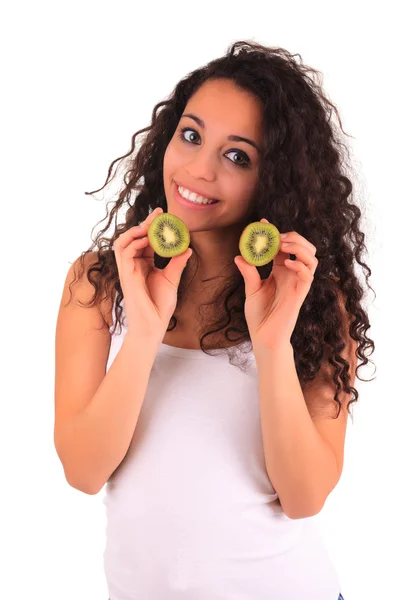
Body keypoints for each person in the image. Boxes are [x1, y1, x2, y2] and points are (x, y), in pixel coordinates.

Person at [54, 40, 374, 600]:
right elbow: (82, 471)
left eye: (237, 156)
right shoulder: (99, 282)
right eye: (191, 135)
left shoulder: (313, 302)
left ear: (273, 180)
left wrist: (272, 343)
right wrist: (146, 332)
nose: (197, 170)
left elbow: (304, 498)